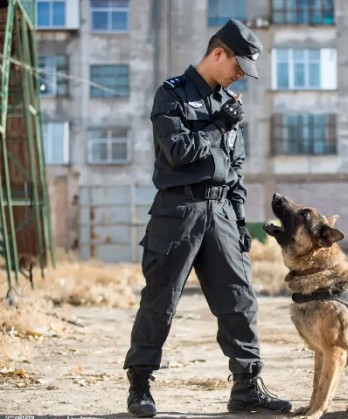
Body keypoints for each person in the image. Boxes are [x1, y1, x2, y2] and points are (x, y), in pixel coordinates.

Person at [123, 19, 291, 417]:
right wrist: (219, 127)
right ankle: (140, 386)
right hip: (177, 212)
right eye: (237, 68)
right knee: (159, 302)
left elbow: (236, 172)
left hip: (220, 214)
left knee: (240, 300)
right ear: (219, 54)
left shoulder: (227, 107)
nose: (239, 78)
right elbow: (178, 150)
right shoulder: (172, 95)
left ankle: (247, 388)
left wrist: (239, 223)